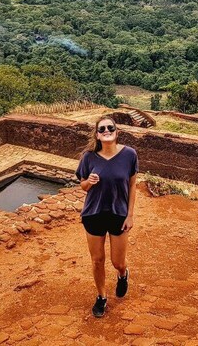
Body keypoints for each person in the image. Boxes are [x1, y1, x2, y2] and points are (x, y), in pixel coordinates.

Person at [75, 115, 138, 318]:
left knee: (117, 262)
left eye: (110, 127)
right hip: (94, 213)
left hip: (118, 213)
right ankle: (101, 297)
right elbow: (83, 185)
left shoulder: (129, 155)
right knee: (97, 260)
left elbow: (132, 185)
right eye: (102, 129)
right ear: (97, 135)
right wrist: (89, 182)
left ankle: (122, 275)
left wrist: (130, 215)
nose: (106, 131)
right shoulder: (89, 157)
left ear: (116, 132)